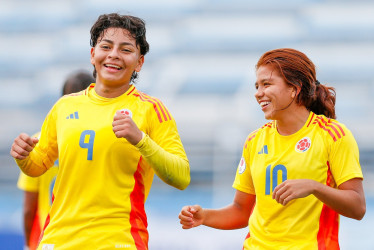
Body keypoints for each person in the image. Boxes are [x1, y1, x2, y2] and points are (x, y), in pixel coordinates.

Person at [11, 13, 190, 249]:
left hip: (118, 241)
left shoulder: (151, 110)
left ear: (139, 62)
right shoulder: (64, 106)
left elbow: (182, 177)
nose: (114, 54)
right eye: (106, 46)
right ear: (93, 54)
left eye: (126, 49)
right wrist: (23, 157)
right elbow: (38, 165)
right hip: (59, 240)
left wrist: (141, 140)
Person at [179, 48, 365, 249]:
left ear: (295, 88)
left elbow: (358, 207)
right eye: (257, 86)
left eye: (266, 84)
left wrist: (315, 187)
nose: (258, 93)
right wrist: (204, 216)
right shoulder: (255, 140)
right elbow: (241, 211)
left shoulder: (333, 135)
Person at [16, 70, 95, 250]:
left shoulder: (38, 142)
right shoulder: (101, 140)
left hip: (51, 239)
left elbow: (29, 208)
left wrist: (28, 245)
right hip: (91, 238)